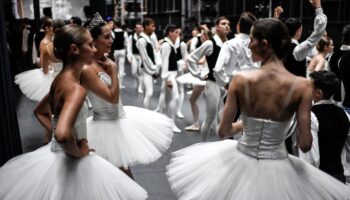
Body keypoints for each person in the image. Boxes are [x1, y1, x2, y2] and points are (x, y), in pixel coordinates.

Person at [166, 18, 350, 199]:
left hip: (242, 159)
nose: (248, 46)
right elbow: (305, 143)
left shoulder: (240, 80)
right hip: (278, 164)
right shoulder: (301, 85)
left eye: (251, 40)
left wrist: (248, 124)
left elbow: (223, 131)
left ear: (264, 43)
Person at [0, 24, 147, 200]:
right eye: (91, 45)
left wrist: (57, 136)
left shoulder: (59, 81)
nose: (94, 49)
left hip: (55, 158)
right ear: (74, 49)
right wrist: (79, 151)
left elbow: (39, 112)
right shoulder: (75, 89)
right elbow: (62, 134)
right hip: (72, 163)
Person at [81, 13, 173, 178]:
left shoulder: (104, 61)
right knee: (118, 178)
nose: (111, 41)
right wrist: (114, 71)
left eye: (112, 36)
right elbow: (112, 97)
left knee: (119, 177)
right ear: (93, 41)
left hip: (118, 120)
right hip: (104, 127)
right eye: (107, 37)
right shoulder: (88, 68)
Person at [300, 70, 349, 183]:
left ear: (318, 93)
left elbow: (311, 159)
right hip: (339, 177)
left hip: (320, 180)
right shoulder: (345, 114)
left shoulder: (310, 116)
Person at [187, 16, 231, 141]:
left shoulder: (229, 44)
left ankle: (220, 148)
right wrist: (199, 75)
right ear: (217, 28)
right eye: (223, 24)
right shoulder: (209, 43)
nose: (227, 26)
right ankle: (203, 145)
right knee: (210, 118)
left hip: (226, 86)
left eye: (228, 24)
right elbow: (191, 58)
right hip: (212, 84)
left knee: (222, 119)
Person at [136, 18, 160, 109]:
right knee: (149, 93)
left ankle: (144, 112)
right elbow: (145, 58)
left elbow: (152, 54)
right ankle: (145, 114)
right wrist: (154, 70)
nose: (154, 28)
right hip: (146, 69)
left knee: (147, 92)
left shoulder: (148, 38)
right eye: (152, 26)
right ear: (146, 26)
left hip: (149, 68)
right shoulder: (142, 40)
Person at [127, 22, 144, 93]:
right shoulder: (131, 37)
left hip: (142, 56)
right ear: (135, 29)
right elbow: (129, 47)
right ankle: (138, 81)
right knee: (133, 72)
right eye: (137, 28)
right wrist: (129, 57)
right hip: (134, 56)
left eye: (140, 28)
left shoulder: (144, 37)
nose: (139, 29)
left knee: (141, 72)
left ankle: (140, 87)